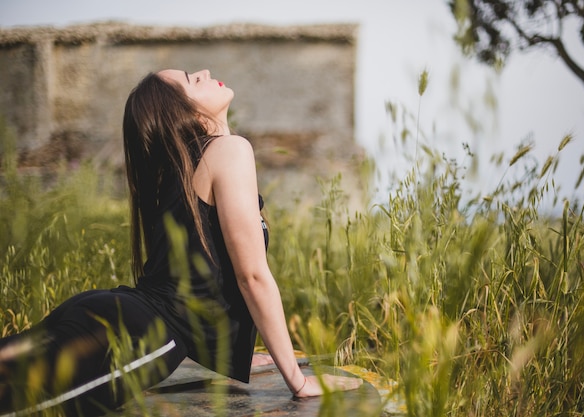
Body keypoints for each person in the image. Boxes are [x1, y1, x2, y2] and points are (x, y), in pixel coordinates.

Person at [0, 68, 362, 416]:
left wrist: (232, 356)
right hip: (136, 333)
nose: (204, 72)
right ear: (182, 112)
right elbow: (251, 277)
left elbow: (198, 278)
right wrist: (297, 382)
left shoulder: (185, 167)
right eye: (192, 81)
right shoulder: (230, 151)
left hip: (117, 314)